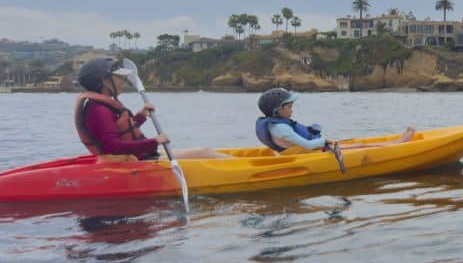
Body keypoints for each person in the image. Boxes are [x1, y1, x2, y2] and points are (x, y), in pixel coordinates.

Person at [75, 57, 225, 160]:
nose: (123, 81)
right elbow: (112, 146)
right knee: (204, 152)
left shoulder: (101, 106)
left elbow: (120, 131)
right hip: (131, 163)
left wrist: (141, 116)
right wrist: (154, 141)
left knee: (207, 151)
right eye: (119, 77)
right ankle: (248, 171)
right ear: (104, 81)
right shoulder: (98, 109)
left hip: (136, 157)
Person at [255, 88, 416, 153]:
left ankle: (397, 141)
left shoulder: (274, 126)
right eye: (289, 107)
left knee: (357, 144)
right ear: (278, 110)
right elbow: (309, 145)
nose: (292, 109)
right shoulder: (282, 130)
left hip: (309, 153)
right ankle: (399, 143)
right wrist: (325, 141)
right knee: (360, 146)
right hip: (313, 154)